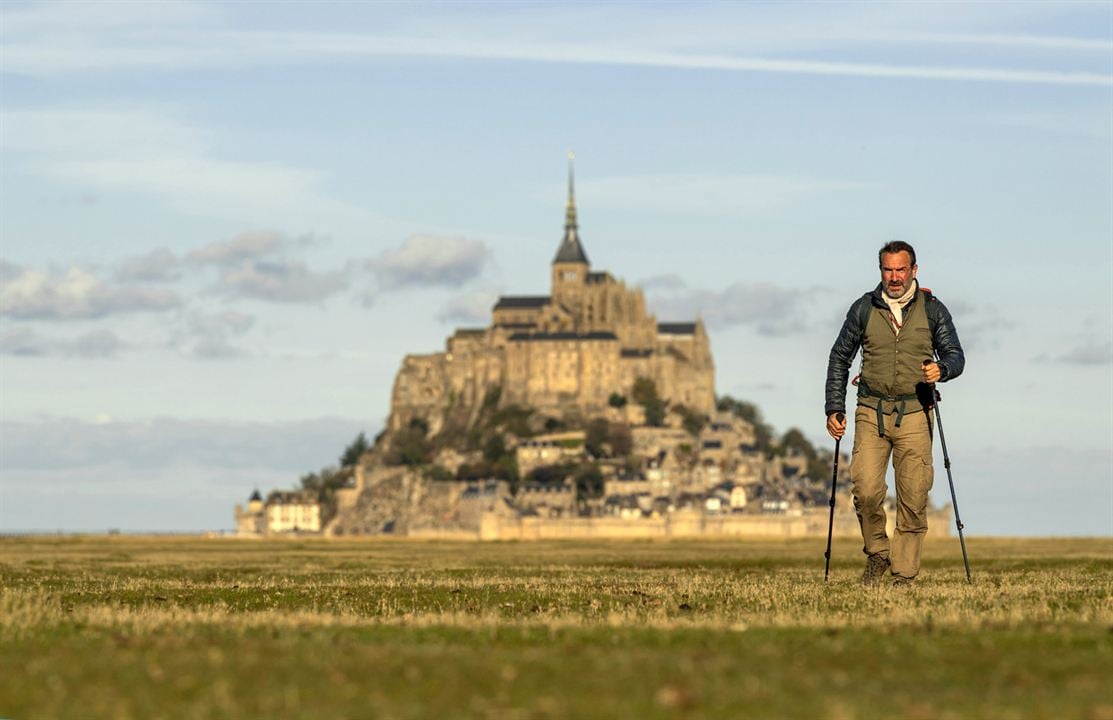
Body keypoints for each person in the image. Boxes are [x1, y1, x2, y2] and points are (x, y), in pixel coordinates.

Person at [825, 241, 964, 586]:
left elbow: (955, 355)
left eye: (901, 270)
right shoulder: (863, 308)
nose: (895, 277)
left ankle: (904, 574)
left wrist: (941, 370)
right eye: (888, 270)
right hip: (871, 410)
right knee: (866, 489)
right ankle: (877, 554)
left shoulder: (933, 310)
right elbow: (840, 357)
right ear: (881, 272)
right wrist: (834, 407)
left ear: (914, 270)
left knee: (914, 495)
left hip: (916, 411)